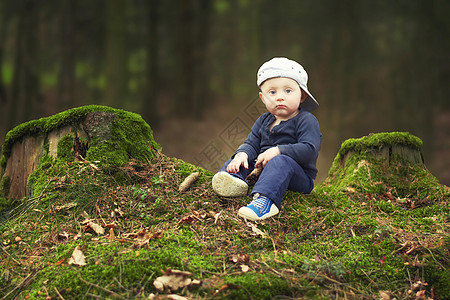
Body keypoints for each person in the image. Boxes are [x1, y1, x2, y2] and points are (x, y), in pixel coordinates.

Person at [212, 57, 322, 221]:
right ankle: (233, 180)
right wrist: (242, 153)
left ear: (302, 96)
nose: (279, 97)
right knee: (241, 157)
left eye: (288, 91)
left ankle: (265, 201)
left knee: (280, 161)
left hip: (296, 176)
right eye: (272, 92)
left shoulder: (306, 120)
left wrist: (278, 150)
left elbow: (309, 150)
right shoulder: (264, 120)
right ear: (263, 98)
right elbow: (252, 142)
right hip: (261, 169)